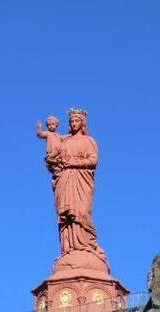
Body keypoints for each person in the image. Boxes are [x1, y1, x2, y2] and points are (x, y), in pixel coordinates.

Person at [42, 108, 108, 272]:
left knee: (81, 212)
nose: (73, 123)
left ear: (82, 122)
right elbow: (54, 160)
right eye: (71, 121)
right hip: (64, 180)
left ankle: (86, 245)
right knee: (65, 216)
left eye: (77, 120)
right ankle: (68, 249)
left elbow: (93, 161)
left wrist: (71, 162)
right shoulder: (64, 141)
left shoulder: (89, 141)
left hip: (81, 180)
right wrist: (52, 162)